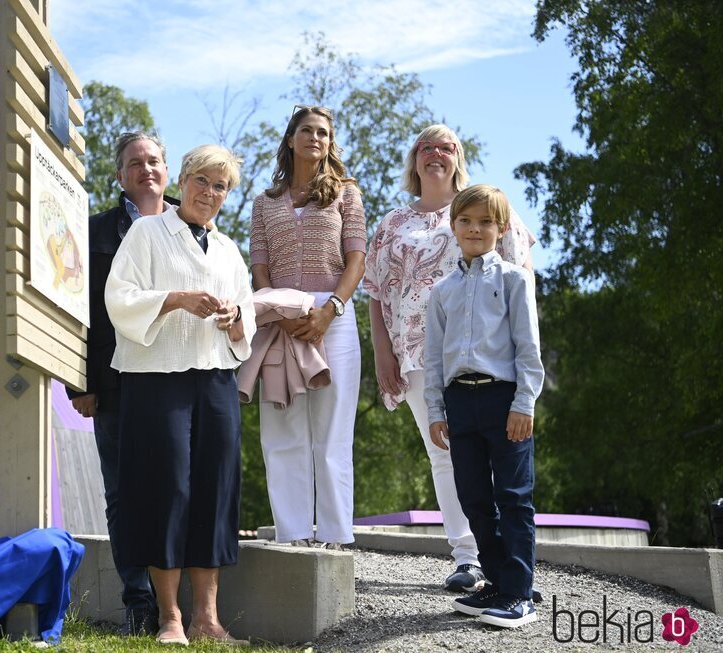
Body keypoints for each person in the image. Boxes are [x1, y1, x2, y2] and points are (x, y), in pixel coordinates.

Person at [364, 124, 535, 591]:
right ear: (414, 159)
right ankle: (467, 557)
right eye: (426, 146)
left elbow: (523, 272)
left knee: (501, 461)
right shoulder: (393, 223)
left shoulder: (484, 205)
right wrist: (383, 354)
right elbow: (376, 293)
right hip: (419, 355)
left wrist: (524, 355)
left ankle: (509, 562)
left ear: (458, 157)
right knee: (447, 457)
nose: (435, 154)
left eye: (446, 147)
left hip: (489, 358)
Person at [106, 144, 255, 646]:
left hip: (215, 378)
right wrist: (174, 300)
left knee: (215, 491)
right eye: (202, 182)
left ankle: (207, 618)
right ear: (183, 180)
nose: (209, 194)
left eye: (221, 187)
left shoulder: (229, 250)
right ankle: (170, 617)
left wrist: (236, 320)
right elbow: (118, 298)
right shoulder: (148, 232)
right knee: (165, 487)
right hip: (156, 378)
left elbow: (247, 318)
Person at [65, 131, 177, 635]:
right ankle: (139, 602)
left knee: (180, 489)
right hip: (115, 383)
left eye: (154, 160)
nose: (146, 169)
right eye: (135, 163)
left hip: (183, 380)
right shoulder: (93, 233)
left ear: (168, 169)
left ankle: (178, 605)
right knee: (125, 493)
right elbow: (79, 312)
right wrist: (79, 383)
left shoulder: (193, 223)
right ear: (120, 175)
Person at [424, 184, 544, 628]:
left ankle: (520, 594)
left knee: (513, 497)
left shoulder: (514, 280)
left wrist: (524, 402)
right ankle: (496, 582)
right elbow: (434, 358)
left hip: (503, 399)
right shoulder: (442, 290)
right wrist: (436, 411)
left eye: (485, 222)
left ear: (501, 228)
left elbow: (528, 349)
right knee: (474, 498)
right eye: (466, 221)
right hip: (460, 403)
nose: (475, 229)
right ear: (454, 226)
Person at [249, 105, 366, 549]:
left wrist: (330, 308)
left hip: (333, 317)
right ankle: (293, 533)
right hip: (278, 317)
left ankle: (336, 535)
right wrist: (280, 312)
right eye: (306, 130)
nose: (315, 137)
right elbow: (259, 265)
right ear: (291, 139)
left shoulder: (347, 195)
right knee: (282, 423)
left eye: (323, 133)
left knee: (333, 429)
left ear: (330, 143)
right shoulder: (264, 203)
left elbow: (356, 258)